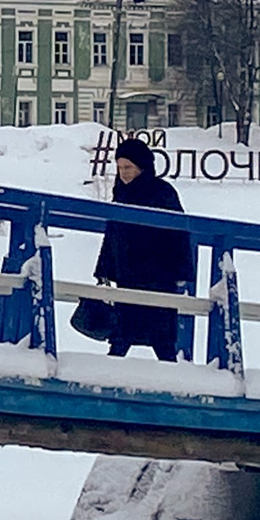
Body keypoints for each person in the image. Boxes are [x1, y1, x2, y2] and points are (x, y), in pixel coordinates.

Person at [84, 136, 197, 360]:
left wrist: (178, 271)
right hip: (128, 277)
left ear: (142, 167)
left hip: (158, 279)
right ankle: (108, 379)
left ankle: (172, 383)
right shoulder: (121, 193)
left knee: (161, 340)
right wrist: (104, 268)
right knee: (121, 336)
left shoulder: (162, 193)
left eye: (128, 167)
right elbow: (113, 234)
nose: (123, 172)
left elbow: (178, 234)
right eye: (119, 167)